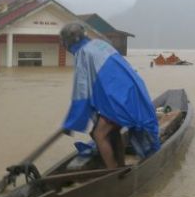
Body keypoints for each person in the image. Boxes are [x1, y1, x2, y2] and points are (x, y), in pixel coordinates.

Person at [60, 23, 160, 169]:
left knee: (99, 135)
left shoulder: (83, 53)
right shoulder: (99, 44)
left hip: (118, 99)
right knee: (113, 131)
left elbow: (81, 93)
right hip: (133, 91)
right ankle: (120, 166)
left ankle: (112, 172)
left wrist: (70, 124)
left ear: (69, 42)